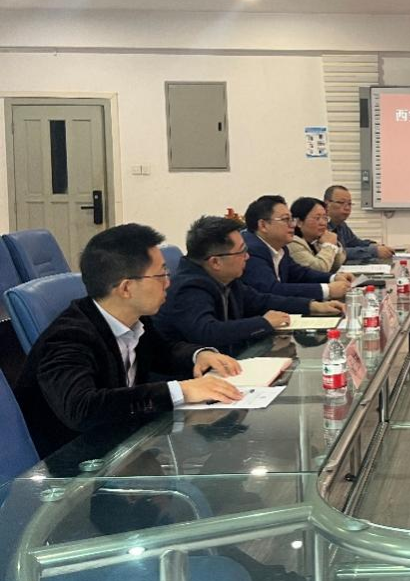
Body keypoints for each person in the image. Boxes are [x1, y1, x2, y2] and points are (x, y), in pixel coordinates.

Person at [13, 224, 243, 459]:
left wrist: (199, 355)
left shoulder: (132, 317)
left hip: (125, 442)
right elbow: (82, 408)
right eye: (161, 275)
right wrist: (181, 390)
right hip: (76, 463)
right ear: (126, 288)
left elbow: (162, 353)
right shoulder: (69, 337)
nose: (168, 283)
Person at [156, 216, 347, 354]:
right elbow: (208, 332)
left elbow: (261, 300)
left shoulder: (225, 278)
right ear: (215, 262)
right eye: (241, 252)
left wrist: (312, 306)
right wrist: (263, 323)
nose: (247, 257)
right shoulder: (189, 287)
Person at [241, 195, 353, 300]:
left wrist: (333, 278)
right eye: (285, 219)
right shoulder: (252, 250)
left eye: (291, 220)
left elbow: (299, 274)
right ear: (263, 225)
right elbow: (272, 290)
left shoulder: (281, 248)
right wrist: (327, 290)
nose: (292, 225)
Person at [324, 185, 394, 263]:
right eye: (341, 203)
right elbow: (337, 252)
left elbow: (355, 243)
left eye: (349, 204)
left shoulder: (341, 224)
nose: (347, 208)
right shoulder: (321, 225)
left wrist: (374, 245)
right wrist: (373, 251)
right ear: (327, 204)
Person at [287, 197, 346, 274]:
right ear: (299, 222)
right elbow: (319, 270)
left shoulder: (315, 241)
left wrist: (334, 244)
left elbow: (335, 266)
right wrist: (329, 245)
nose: (323, 223)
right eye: (317, 218)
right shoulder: (293, 243)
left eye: (325, 218)